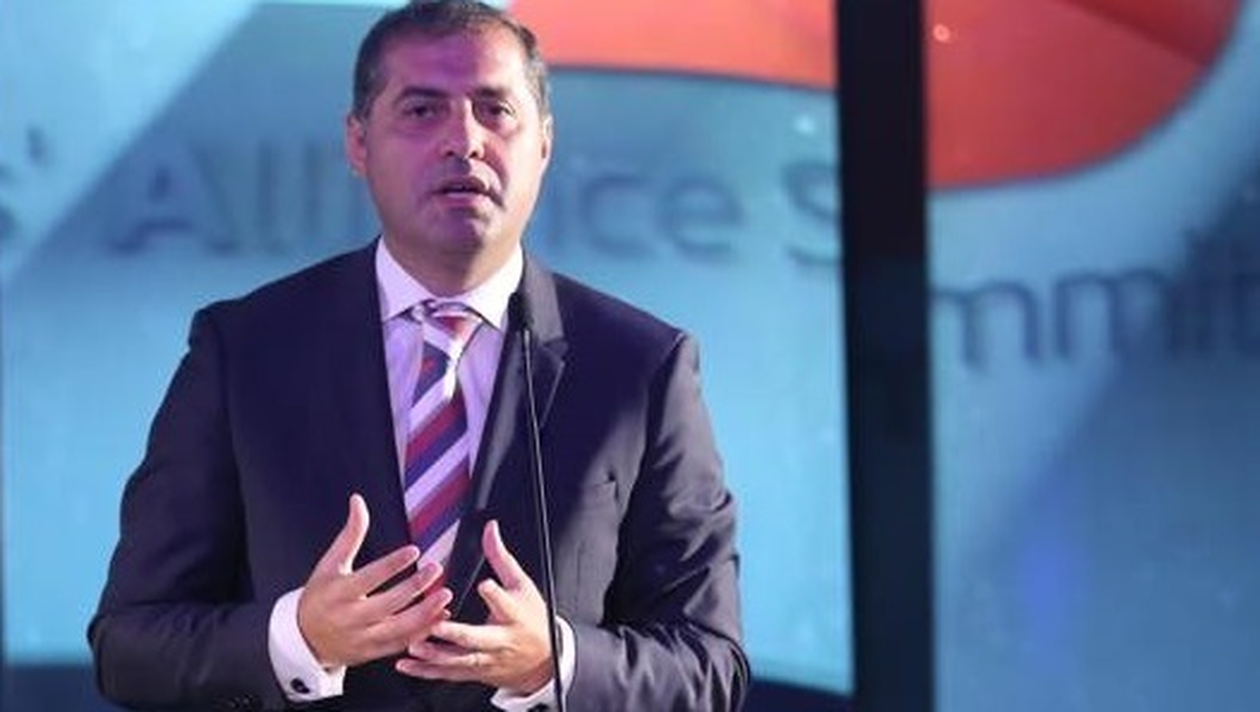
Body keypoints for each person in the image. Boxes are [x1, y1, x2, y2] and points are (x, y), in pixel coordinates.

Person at [88, 2, 748, 710]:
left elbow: (711, 666)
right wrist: (295, 639)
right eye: (422, 111)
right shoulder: (245, 352)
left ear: (544, 144)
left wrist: (555, 664)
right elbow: (130, 646)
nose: (463, 141)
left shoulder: (641, 369)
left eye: (495, 110)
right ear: (358, 143)